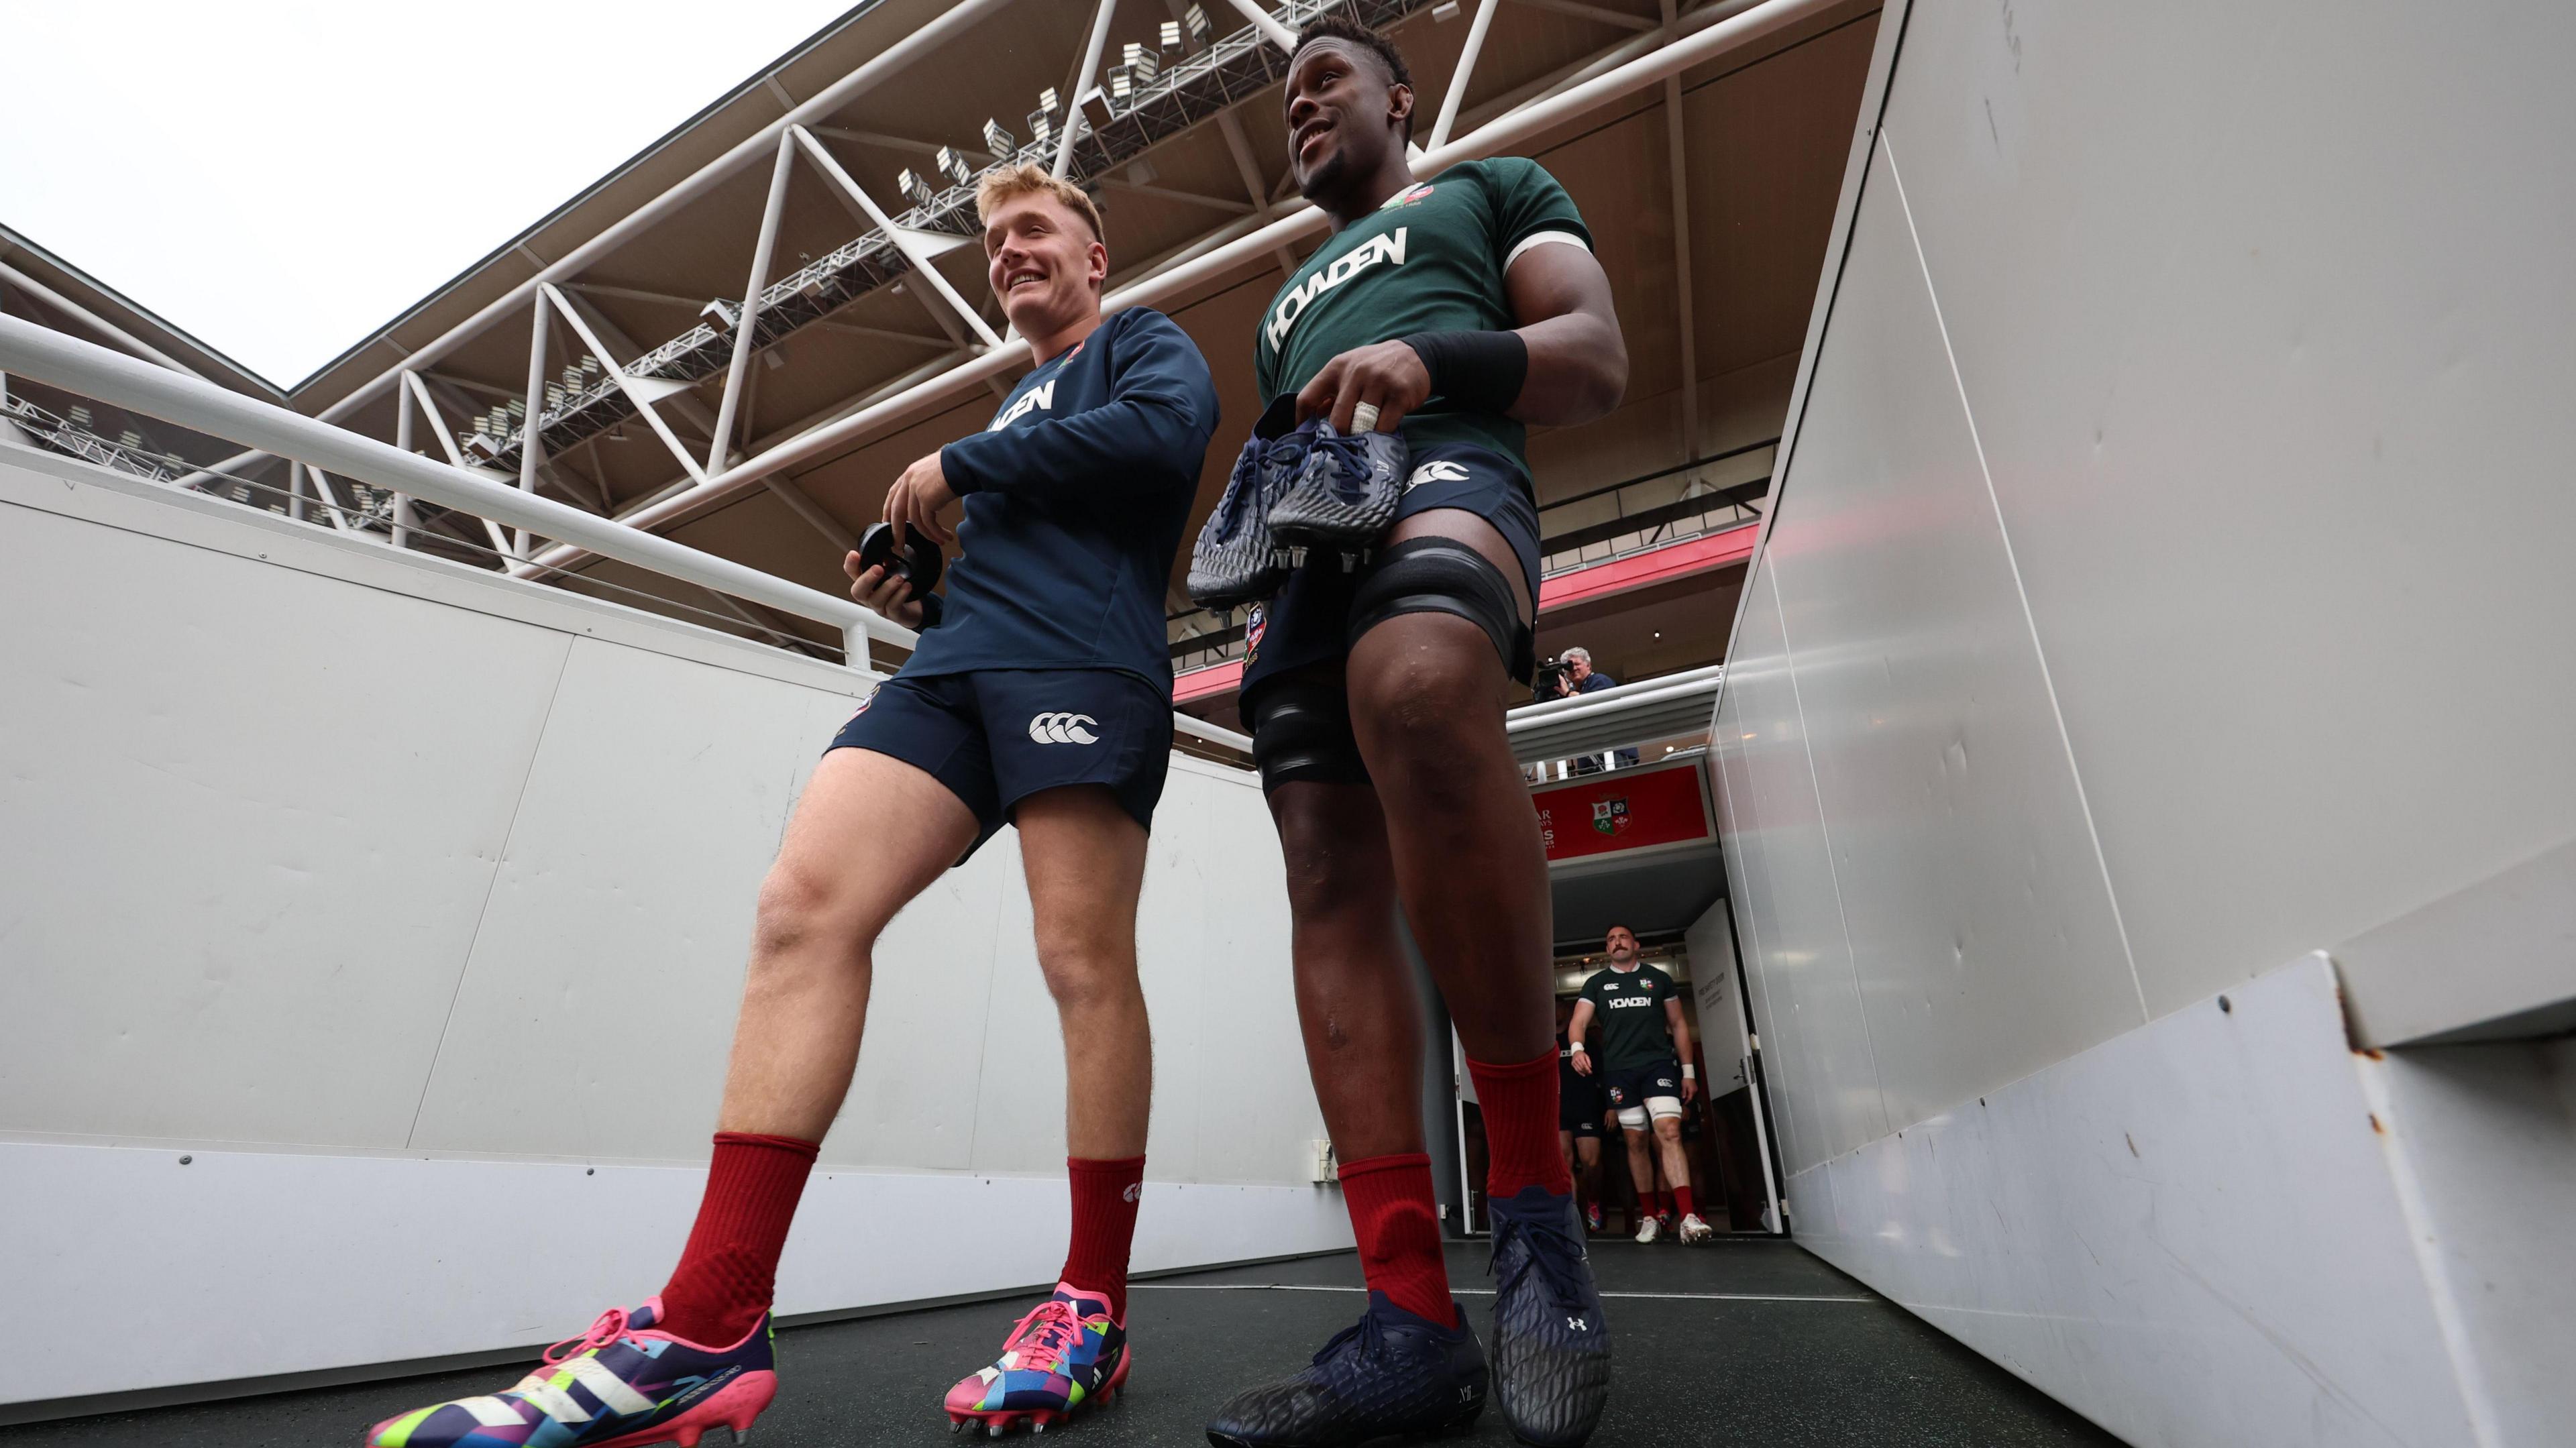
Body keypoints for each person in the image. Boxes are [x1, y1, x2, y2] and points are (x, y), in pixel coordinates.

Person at [362, 164, 1220, 1448]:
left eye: (1034, 230)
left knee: (1079, 955)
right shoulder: (1015, 397)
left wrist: (962, 464)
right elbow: (1022, 524)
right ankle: (709, 1322)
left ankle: (1092, 1299)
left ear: (1095, 255)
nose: (1009, 251)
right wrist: (926, 582)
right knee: (799, 905)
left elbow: (1165, 437)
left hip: (1080, 664)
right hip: (958, 665)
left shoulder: (1137, 343)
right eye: (993, 240)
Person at [1204, 16, 1629, 1448]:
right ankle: (1406, 1317)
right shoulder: (1273, 306)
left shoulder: (1491, 189)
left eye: (1326, 76)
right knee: (1322, 859)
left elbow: (1592, 357)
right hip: (1311, 533)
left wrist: (1426, 358)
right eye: (1284, 93)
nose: (1300, 101)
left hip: (1448, 457)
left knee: (1427, 687)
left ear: (1403, 95)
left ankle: (1535, 1228)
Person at [1568, 926, 1715, 1245]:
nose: (1616, 942)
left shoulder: (1658, 979)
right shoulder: (1596, 984)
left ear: (1635, 944)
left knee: (1670, 1132)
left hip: (1658, 1066)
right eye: (1609, 939)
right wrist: (1577, 1049)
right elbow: (1578, 1022)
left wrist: (1687, 1072)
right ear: (1607, 949)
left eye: (1621, 937)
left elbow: (1677, 1024)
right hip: (1620, 1072)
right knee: (1636, 1143)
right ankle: (1650, 1218)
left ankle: (1688, 1217)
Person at [1557, 1001, 1609, 1234]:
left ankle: (1594, 1201)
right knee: (1563, 1164)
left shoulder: (1585, 1041)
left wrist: (1611, 1106)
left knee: (1591, 1163)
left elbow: (1604, 1075)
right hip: (1558, 1110)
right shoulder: (1547, 1044)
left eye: (1559, 1007)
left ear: (1567, 1011)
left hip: (1587, 1108)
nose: (1554, 1012)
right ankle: (1572, 1217)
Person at [1544, 648, 1637, 772]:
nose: (1573, 668)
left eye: (1577, 664)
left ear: (1589, 666)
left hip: (1614, 751)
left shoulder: (1600, 680)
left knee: (1616, 790)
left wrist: (1567, 693)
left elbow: (1593, 703)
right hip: (1588, 755)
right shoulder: (1573, 693)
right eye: (1569, 666)